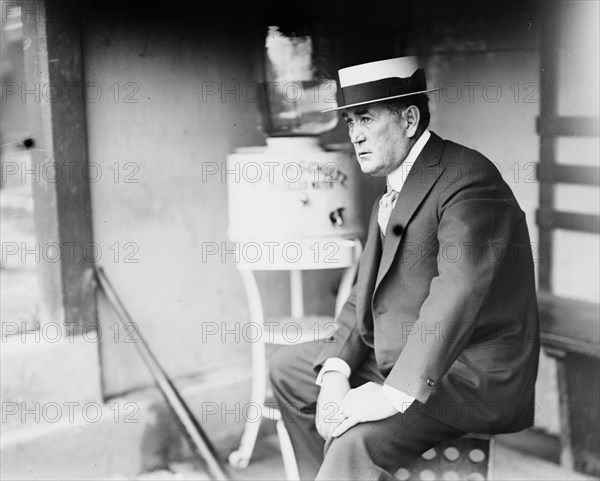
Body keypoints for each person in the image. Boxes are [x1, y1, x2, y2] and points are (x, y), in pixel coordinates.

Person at [268, 56, 540, 480]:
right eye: (349, 121)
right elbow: (362, 294)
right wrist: (337, 371)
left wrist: (393, 393)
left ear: (409, 119)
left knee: (354, 439)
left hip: (465, 374)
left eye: (365, 118)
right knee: (292, 370)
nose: (354, 134)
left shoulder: (469, 179)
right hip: (406, 356)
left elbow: (458, 291)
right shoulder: (391, 192)